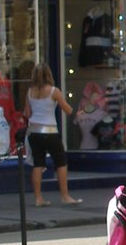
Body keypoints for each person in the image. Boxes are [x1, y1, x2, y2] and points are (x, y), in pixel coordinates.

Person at [22, 63, 82, 208]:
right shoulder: (54, 91)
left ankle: (38, 198)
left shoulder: (30, 92)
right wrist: (78, 113)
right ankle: (65, 196)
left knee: (38, 164)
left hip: (34, 131)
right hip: (50, 131)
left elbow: (27, 113)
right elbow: (67, 109)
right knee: (61, 163)